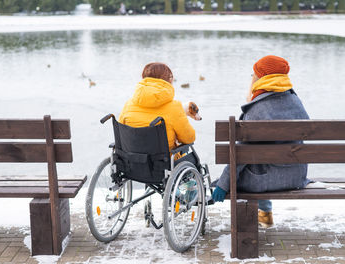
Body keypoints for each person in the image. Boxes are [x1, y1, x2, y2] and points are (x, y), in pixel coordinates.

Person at [212, 55, 310, 228]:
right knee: (259, 161)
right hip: (296, 177)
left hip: (264, 181)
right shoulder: (296, 101)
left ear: (261, 78)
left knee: (236, 174)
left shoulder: (257, 109)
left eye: (254, 74)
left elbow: (241, 154)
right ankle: (265, 214)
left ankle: (250, 228)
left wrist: (222, 184)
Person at [119, 62, 196, 152]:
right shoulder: (175, 107)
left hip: (132, 160)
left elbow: (122, 133)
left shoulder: (128, 105)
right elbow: (189, 138)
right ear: (169, 80)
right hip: (163, 161)